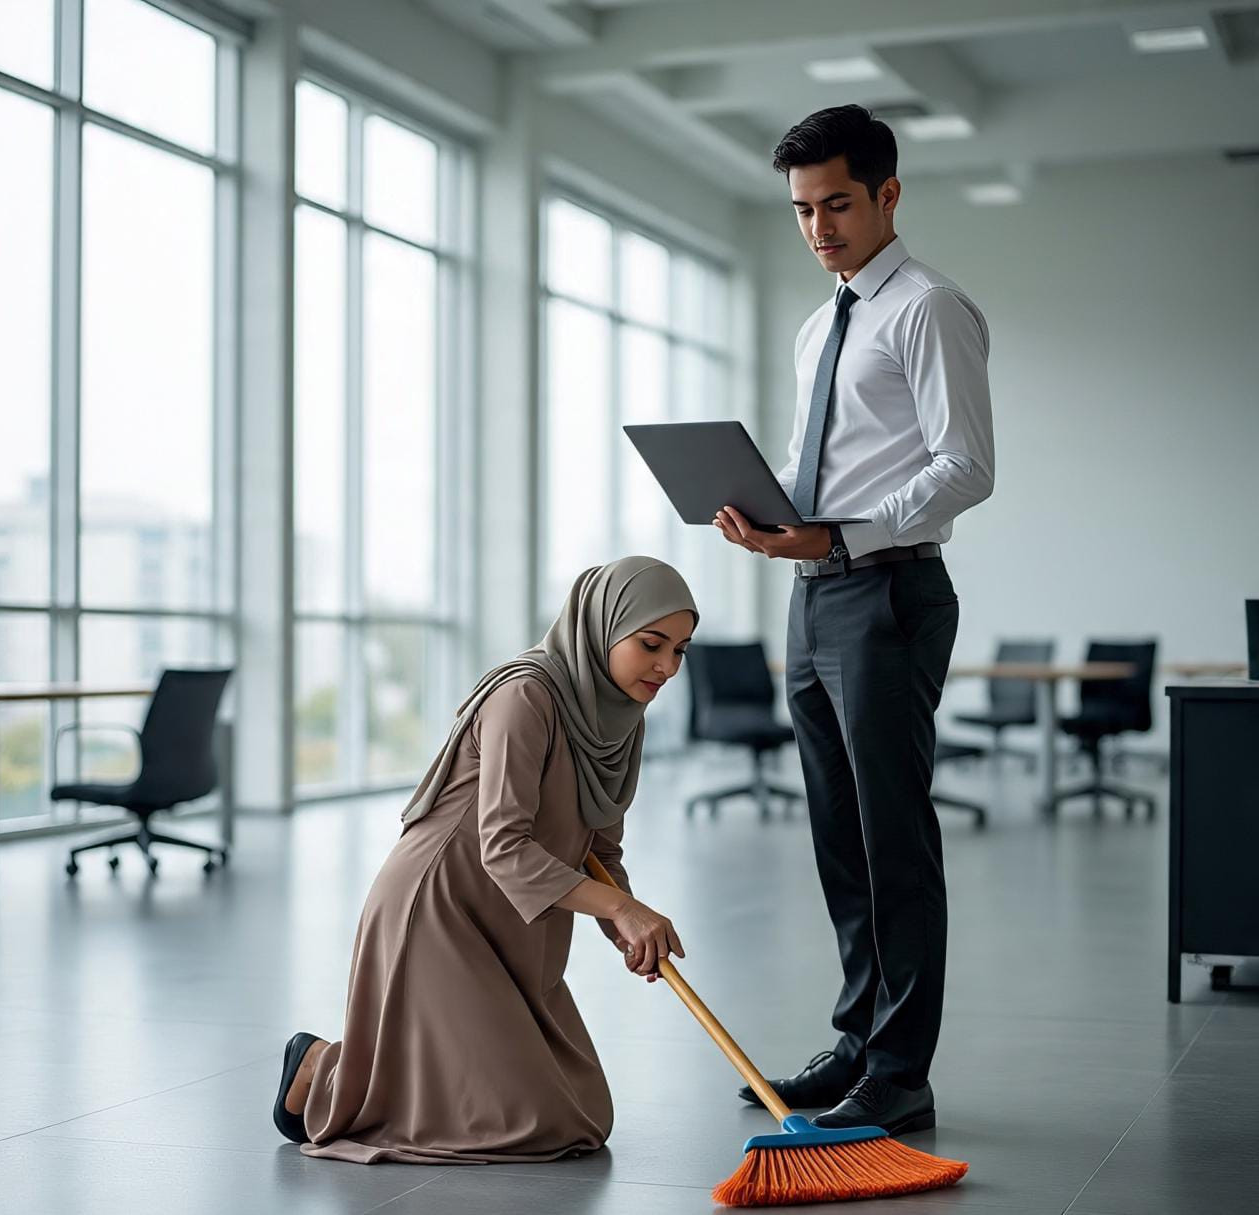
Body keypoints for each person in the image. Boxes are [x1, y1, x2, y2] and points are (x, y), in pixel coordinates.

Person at [715, 105, 994, 1134]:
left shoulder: (927, 308)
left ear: (887, 194)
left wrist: (838, 540)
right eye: (800, 209)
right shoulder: (817, 323)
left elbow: (965, 467)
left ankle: (902, 1072)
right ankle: (855, 1043)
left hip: (886, 591)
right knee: (838, 834)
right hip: (814, 589)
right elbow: (820, 463)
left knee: (892, 837)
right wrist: (765, 505)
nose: (818, 227)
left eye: (836, 203)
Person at [271, 556, 698, 1164]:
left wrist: (625, 929)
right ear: (600, 627)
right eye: (651, 644)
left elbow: (601, 852)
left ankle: (363, 1059)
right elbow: (504, 844)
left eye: (681, 651)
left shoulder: (618, 716)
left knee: (583, 1115)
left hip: (519, 919)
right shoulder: (525, 694)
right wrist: (623, 907)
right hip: (441, 906)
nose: (666, 667)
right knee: (526, 1122)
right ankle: (325, 1066)